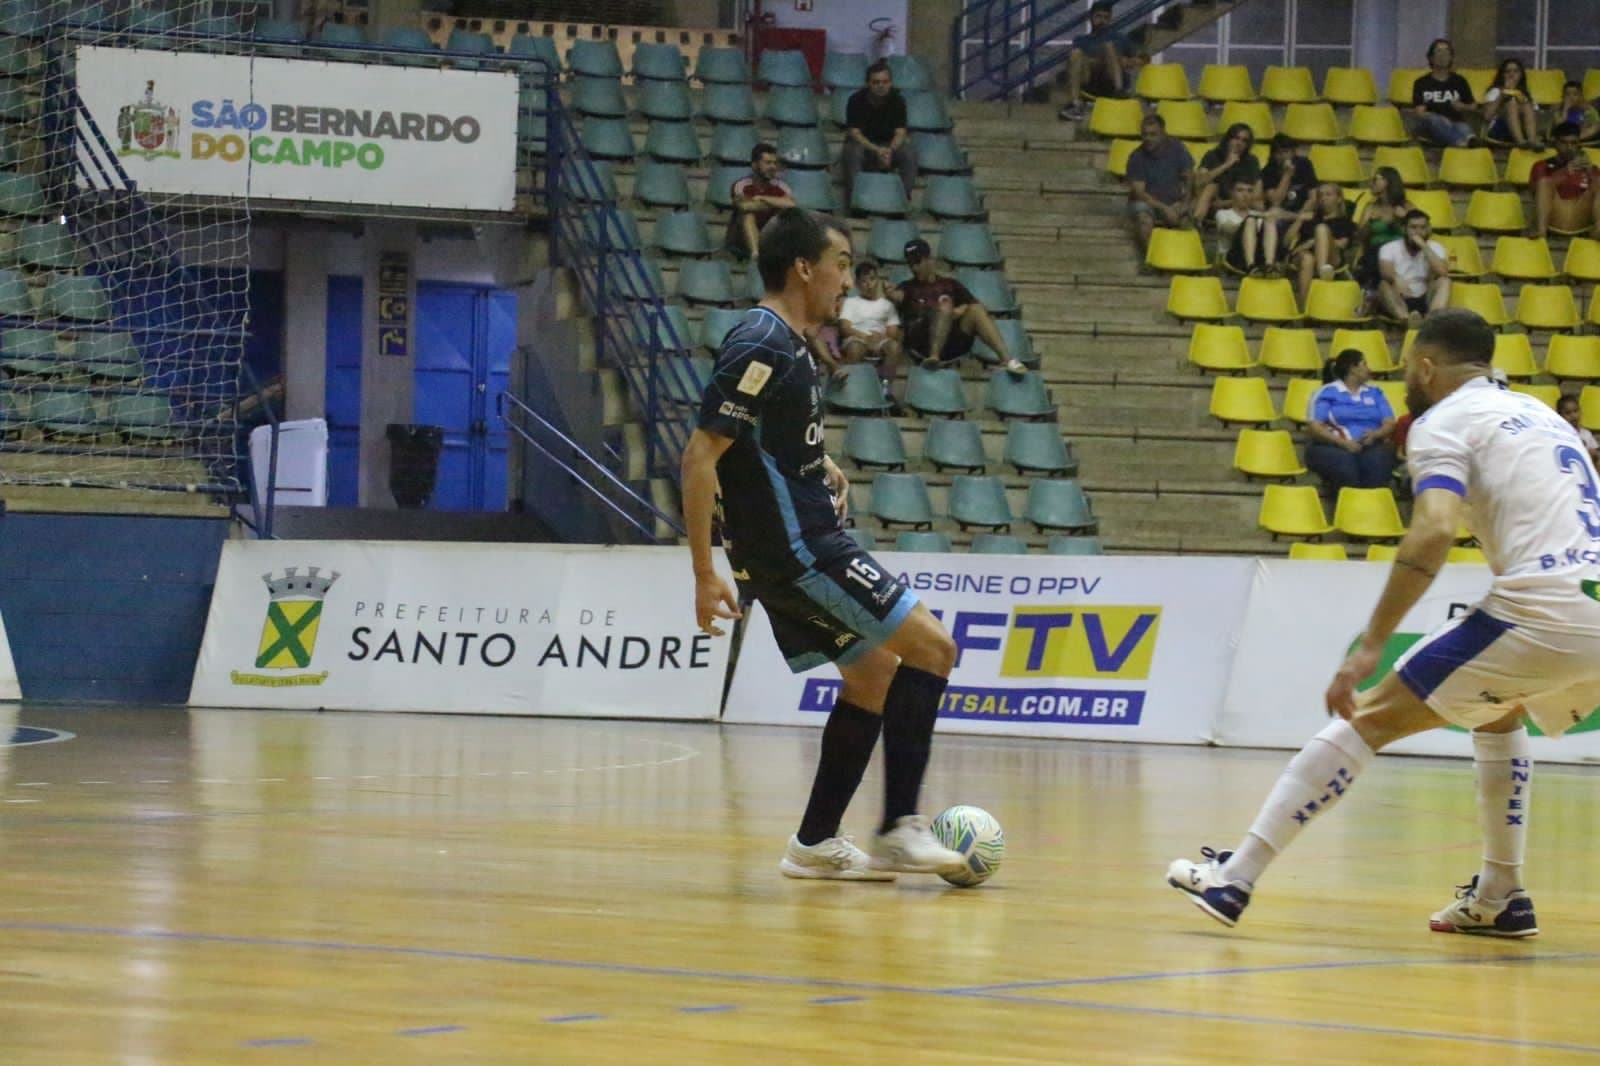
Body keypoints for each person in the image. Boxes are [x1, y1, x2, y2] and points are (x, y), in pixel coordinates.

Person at [1169, 308, 1600, 938]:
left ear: (1426, 367)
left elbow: (1433, 531)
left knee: (1366, 715)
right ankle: (1501, 894)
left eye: (1404, 367)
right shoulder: (1540, 413)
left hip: (1547, 605)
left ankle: (1236, 876)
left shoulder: (1442, 422)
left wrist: (1369, 645)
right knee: (1497, 710)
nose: (1403, 378)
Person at [682, 207, 966, 881]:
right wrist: (703, 570)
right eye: (840, 264)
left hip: (791, 544)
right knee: (933, 647)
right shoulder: (762, 340)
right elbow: (700, 455)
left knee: (871, 675)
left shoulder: (788, 344)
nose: (848, 278)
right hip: (799, 548)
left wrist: (819, 463)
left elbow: (762, 439)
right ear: (803, 268)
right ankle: (900, 825)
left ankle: (815, 842)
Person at [896, 238, 1026, 374]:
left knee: (975, 310)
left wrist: (959, 311)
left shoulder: (950, 284)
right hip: (921, 342)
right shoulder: (907, 287)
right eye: (910, 264)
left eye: (918, 262)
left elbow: (977, 306)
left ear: (929, 259)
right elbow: (895, 299)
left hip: (952, 342)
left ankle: (1007, 359)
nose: (914, 268)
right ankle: (934, 356)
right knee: (944, 306)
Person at [1303, 348, 1398, 491]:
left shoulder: (1375, 392)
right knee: (1344, 464)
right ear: (1353, 369)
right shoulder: (1326, 392)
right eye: (1364, 364)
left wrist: (1375, 435)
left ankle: (1374, 508)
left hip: (1370, 446)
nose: (1369, 369)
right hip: (1331, 446)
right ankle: (1346, 509)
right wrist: (1344, 443)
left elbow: (1389, 422)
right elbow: (1315, 427)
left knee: (1379, 462)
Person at [1056, 1, 1142, 122]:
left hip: (1110, 80)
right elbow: (1075, 63)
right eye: (1098, 16)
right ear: (1091, 18)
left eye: (1106, 17)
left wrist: (1125, 61)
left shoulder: (1120, 38)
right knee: (1076, 54)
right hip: (1089, 81)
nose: (1102, 21)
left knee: (1108, 47)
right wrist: (1096, 62)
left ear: (1110, 19)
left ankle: (1119, 92)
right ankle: (1075, 104)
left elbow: (1139, 60)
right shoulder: (1081, 40)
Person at [842, 61, 916, 201]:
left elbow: (900, 132)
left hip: (888, 144)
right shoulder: (856, 100)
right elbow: (855, 133)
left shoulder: (898, 100)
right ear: (868, 83)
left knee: (909, 153)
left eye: (885, 82)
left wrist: (889, 150)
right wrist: (877, 150)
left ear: (890, 83)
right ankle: (856, 201)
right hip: (864, 145)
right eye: (876, 82)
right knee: (853, 152)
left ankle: (902, 200)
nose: (881, 86)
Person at [837, 260, 906, 403]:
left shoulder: (887, 305)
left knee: (894, 347)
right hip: (856, 337)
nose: (869, 284)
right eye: (864, 281)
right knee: (855, 348)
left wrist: (881, 338)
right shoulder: (851, 302)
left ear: (878, 281)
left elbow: (893, 331)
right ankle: (851, 390)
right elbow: (845, 327)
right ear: (857, 284)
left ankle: (885, 390)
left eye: (872, 279)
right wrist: (866, 338)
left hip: (880, 340)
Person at [1124, 113, 1194, 250]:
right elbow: (1139, 193)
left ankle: (1185, 260)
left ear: (1163, 133)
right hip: (1148, 204)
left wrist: (1185, 203)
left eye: (1153, 134)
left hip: (1175, 201)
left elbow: (1189, 177)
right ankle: (1150, 259)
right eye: (1145, 134)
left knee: (1188, 222)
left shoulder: (1178, 148)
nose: (1148, 138)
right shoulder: (1136, 157)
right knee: (1144, 219)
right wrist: (1165, 209)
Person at [1285, 182, 1357, 307]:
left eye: (1328, 194)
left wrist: (1314, 241)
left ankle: (1322, 270)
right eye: (1320, 195)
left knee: (1321, 229)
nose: (1323, 198)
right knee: (1307, 259)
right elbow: (1286, 242)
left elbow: (1342, 244)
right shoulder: (1310, 218)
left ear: (1339, 198)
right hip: (1304, 256)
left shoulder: (1345, 221)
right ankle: (1304, 310)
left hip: (1332, 258)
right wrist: (1300, 219)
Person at [1377, 209, 1451, 326]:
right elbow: (1385, 271)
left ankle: (1432, 319)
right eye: (1413, 227)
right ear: (1404, 229)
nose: (1418, 232)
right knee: (1383, 285)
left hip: (1426, 296)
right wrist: (1396, 278)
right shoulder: (1389, 247)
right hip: (1401, 296)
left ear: (1428, 229)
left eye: (1423, 228)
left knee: (1444, 281)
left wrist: (1423, 245)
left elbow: (1442, 271)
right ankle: (1406, 319)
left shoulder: (1436, 247)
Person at [1529, 122, 1600, 239]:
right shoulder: (1542, 165)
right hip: (1555, 215)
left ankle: (1598, 230)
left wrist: (1591, 174)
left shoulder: (1590, 167)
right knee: (1544, 182)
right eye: (1564, 143)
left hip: (1581, 215)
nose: (1569, 147)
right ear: (1555, 143)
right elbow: (1534, 191)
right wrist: (1564, 173)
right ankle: (1541, 231)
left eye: (1573, 143)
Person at [727, 142, 795, 259]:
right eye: (768, 163)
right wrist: (776, 203)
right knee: (747, 215)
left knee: (788, 217)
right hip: (741, 238)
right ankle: (757, 256)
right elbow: (745, 206)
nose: (773, 167)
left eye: (774, 163)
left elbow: (791, 204)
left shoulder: (781, 186)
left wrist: (764, 199)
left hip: (769, 235)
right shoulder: (741, 185)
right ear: (754, 165)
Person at [1352, 166, 1414, 291]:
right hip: (1375, 252)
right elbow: (1359, 237)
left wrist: (1404, 219)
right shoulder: (1370, 207)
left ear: (1388, 182)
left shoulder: (1407, 206)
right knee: (1376, 253)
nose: (1371, 183)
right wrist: (1370, 224)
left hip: (1401, 253)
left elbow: (1420, 233)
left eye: (1375, 179)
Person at [1411, 38, 1478, 147]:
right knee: (1436, 121)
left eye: (1446, 52)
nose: (1443, 55)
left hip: (1455, 123)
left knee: (1464, 128)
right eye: (1439, 51)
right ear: (1431, 58)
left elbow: (1473, 106)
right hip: (1429, 126)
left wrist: (1462, 107)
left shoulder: (1459, 81)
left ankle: (1470, 142)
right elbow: (1420, 113)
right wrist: (1440, 119)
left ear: (1451, 57)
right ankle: (1461, 145)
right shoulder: (1421, 83)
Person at [1192, 123, 1261, 227]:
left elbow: (1256, 195)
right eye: (1236, 138)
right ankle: (1195, 225)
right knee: (1211, 187)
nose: (1239, 143)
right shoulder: (1212, 155)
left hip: (1236, 203)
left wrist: (1227, 203)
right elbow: (1198, 183)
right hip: (1210, 205)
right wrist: (1226, 165)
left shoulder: (1251, 161)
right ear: (1228, 139)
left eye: (1244, 140)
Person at [1215, 176, 1276, 274]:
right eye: (1240, 190)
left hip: (1258, 257)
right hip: (1234, 258)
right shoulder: (1222, 213)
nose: (1245, 195)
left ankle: (1269, 266)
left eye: (1249, 191)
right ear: (1232, 193)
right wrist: (1249, 225)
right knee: (1251, 220)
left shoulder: (1258, 215)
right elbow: (1229, 229)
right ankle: (1250, 266)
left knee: (1269, 220)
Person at [1482, 58, 1539, 149]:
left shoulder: (1525, 94)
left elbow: (1534, 116)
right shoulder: (1495, 91)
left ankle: (1532, 142)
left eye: (1516, 71)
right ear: (1502, 75)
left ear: (1521, 75)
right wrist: (1502, 96)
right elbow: (1487, 116)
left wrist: (1521, 104)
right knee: (1511, 102)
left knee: (1526, 104)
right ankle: (1521, 142)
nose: (1511, 75)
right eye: (1507, 72)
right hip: (1499, 131)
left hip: (1523, 130)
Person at [1261, 134, 1318, 215]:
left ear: (1293, 152)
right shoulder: (1268, 171)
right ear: (1273, 155)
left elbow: (1313, 196)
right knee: (1273, 212)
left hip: (1303, 212)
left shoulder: (1304, 164)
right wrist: (1287, 175)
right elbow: (1276, 202)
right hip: (1282, 214)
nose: (1283, 156)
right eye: (1278, 153)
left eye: (1286, 151)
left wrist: (1300, 214)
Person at [1558, 393, 1600, 466]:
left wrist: (1594, 454)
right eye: (1568, 413)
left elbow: (1595, 453)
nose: (1573, 415)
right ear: (1560, 416)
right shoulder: (1561, 434)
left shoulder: (1586, 434)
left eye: (1576, 411)